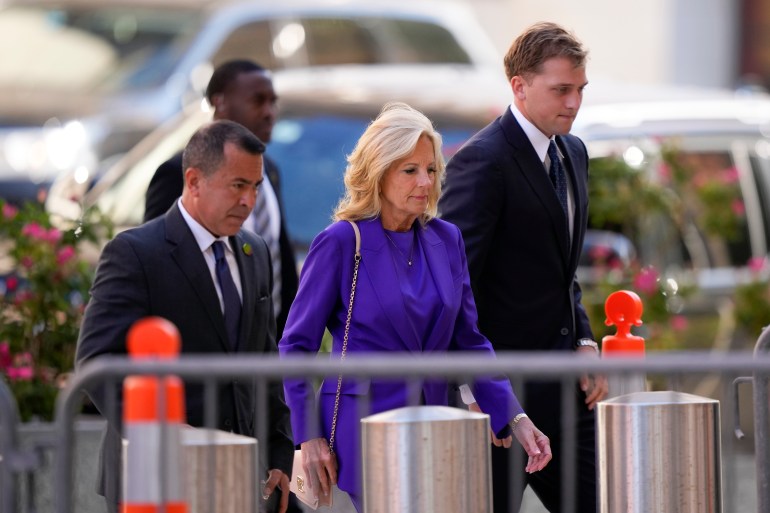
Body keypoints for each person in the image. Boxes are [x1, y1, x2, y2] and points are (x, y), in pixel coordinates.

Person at [278, 102, 553, 512]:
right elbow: (295, 347)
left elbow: (470, 340)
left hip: (436, 423)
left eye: (431, 169)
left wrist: (514, 415)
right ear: (379, 173)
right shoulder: (340, 242)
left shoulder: (447, 239)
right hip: (366, 428)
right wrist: (308, 436)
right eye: (410, 170)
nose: (425, 181)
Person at [76, 120, 294, 513]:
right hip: (156, 478)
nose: (249, 201)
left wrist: (278, 455)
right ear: (193, 182)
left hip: (239, 474)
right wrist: (160, 435)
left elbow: (264, 361)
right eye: (237, 185)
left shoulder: (254, 252)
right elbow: (96, 361)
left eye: (255, 187)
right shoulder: (136, 253)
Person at [438, 22, 609, 513]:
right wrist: (474, 390)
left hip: (566, 393)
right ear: (519, 86)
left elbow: (562, 267)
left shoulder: (573, 151)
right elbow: (457, 283)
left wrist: (583, 338)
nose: (574, 103)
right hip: (500, 397)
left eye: (580, 90)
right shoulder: (482, 162)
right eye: (561, 90)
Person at [144, 59, 298, 337]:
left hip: (266, 352)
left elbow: (280, 261)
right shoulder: (175, 173)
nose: (269, 112)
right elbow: (160, 262)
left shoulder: (270, 171)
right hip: (203, 352)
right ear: (221, 103)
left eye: (273, 102)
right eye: (257, 101)